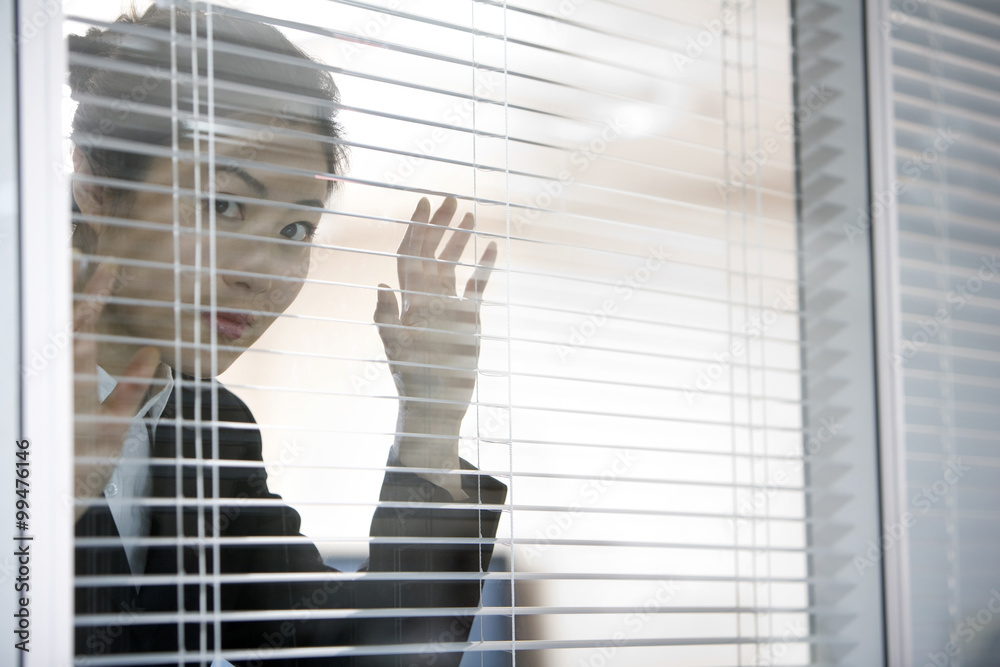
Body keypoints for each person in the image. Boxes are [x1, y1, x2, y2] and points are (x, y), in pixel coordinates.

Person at [69, 5, 506, 666]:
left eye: (295, 231)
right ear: (98, 187)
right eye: (223, 204)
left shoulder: (209, 429)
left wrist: (430, 425)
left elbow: (363, 658)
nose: (264, 275)